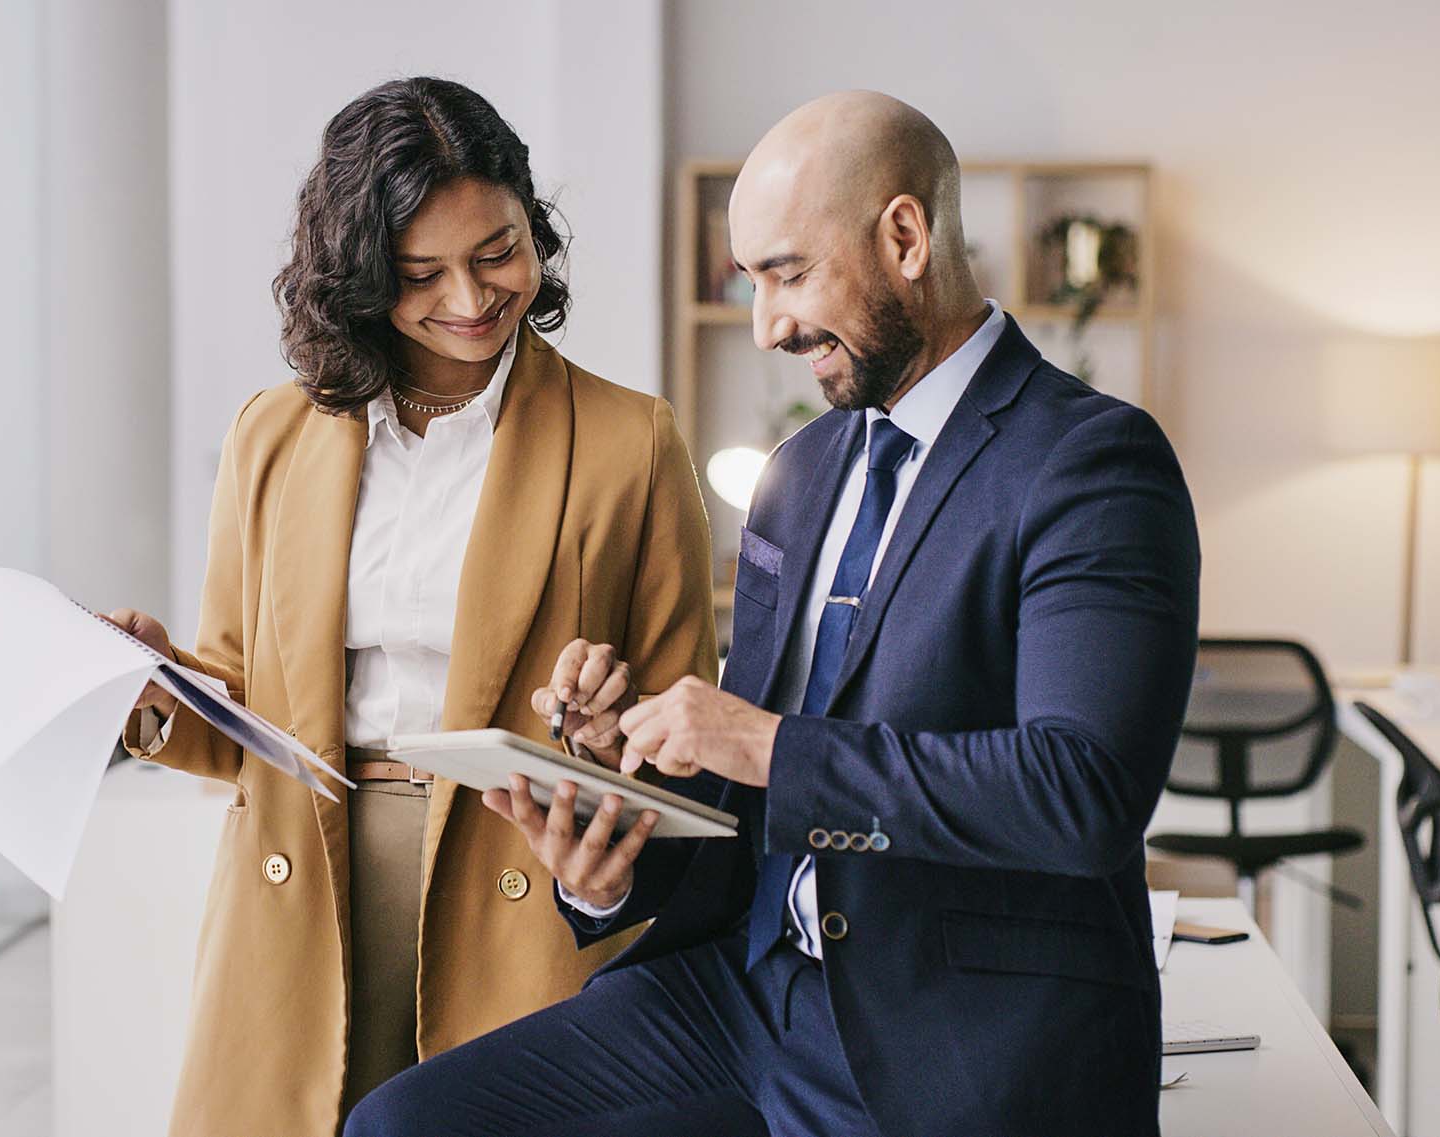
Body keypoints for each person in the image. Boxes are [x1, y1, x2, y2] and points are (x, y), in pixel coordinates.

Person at [346, 90, 1201, 1137]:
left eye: (789, 275)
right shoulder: (799, 473)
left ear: (904, 238)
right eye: (751, 283)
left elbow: (1081, 795)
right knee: (403, 1126)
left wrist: (759, 742)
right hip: (744, 991)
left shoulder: (1089, 462)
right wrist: (614, 830)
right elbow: (754, 794)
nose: (767, 327)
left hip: (960, 1031)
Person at [105, 76, 716, 1137]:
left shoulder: (631, 441)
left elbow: (682, 740)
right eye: (420, 273)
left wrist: (607, 730)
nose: (470, 298)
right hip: (302, 885)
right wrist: (157, 687)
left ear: (533, 226)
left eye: (498, 252)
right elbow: (240, 708)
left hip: (516, 890)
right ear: (356, 273)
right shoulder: (271, 435)